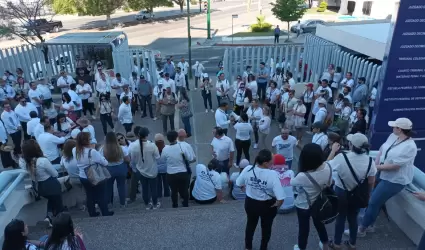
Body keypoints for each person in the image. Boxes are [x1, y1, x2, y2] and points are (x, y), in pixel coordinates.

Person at [353, 118, 417, 237]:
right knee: (373, 200)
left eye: (394, 126)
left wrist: (375, 167)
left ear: (400, 129)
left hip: (395, 180)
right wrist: (377, 164)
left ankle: (362, 228)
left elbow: (396, 166)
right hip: (383, 173)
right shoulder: (394, 137)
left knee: (373, 202)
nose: (392, 128)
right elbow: (383, 150)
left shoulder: (410, 147)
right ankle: (369, 224)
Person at [327, 133, 377, 249]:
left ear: (351, 145)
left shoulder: (341, 157)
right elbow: (371, 181)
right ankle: (352, 242)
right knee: (353, 218)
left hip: (341, 191)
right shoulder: (370, 161)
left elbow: (326, 167)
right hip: (358, 193)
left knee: (340, 217)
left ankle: (337, 243)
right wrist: (368, 194)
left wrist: (333, 151)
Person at [236, 149, 284, 250]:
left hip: (250, 203)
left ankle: (248, 247)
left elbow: (239, 183)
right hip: (267, 205)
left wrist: (244, 188)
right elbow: (280, 198)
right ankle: (263, 247)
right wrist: (277, 205)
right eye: (272, 159)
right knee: (266, 228)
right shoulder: (273, 175)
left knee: (250, 224)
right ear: (266, 163)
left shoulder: (248, 168)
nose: (274, 160)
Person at [291, 143, 332, 250]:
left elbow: (293, 183)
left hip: (304, 205)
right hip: (320, 202)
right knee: (320, 225)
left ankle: (301, 247)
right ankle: (325, 245)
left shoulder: (302, 176)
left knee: (304, 229)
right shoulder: (328, 167)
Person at [21, 140, 63, 224]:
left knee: (51, 200)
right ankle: (59, 222)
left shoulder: (23, 162)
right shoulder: (43, 161)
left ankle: (49, 217)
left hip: (39, 187)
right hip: (51, 185)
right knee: (58, 205)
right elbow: (55, 174)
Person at [73, 132, 113, 217]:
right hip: (94, 175)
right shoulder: (92, 151)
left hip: (83, 175)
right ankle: (105, 212)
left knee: (89, 194)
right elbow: (104, 163)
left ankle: (92, 212)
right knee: (101, 194)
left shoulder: (75, 150)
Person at [129, 127, 161, 210]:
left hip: (141, 171)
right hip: (152, 170)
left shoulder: (133, 146)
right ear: (147, 135)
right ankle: (155, 203)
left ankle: (147, 203)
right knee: (153, 188)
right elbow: (158, 157)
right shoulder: (152, 145)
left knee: (145, 188)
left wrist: (134, 169)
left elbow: (132, 160)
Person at [162, 130, 194, 208]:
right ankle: (185, 204)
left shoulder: (165, 149)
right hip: (182, 172)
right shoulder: (182, 147)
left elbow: (163, 160)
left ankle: (175, 205)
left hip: (171, 173)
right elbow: (190, 158)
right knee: (184, 189)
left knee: (173, 190)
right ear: (176, 137)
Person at [100, 132, 130, 208]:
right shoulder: (121, 148)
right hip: (120, 169)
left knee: (108, 187)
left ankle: (109, 203)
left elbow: (100, 160)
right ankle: (122, 203)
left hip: (108, 169)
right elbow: (127, 159)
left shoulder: (102, 149)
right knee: (121, 186)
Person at [60, 139, 85, 210]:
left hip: (72, 178)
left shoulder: (64, 158)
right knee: (87, 191)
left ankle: (80, 206)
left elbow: (61, 165)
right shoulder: (79, 156)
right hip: (82, 177)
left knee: (77, 193)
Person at [155, 133, 169, 199]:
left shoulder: (153, 148)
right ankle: (167, 194)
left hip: (156, 169)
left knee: (158, 184)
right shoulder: (167, 148)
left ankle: (159, 194)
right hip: (166, 169)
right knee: (166, 183)